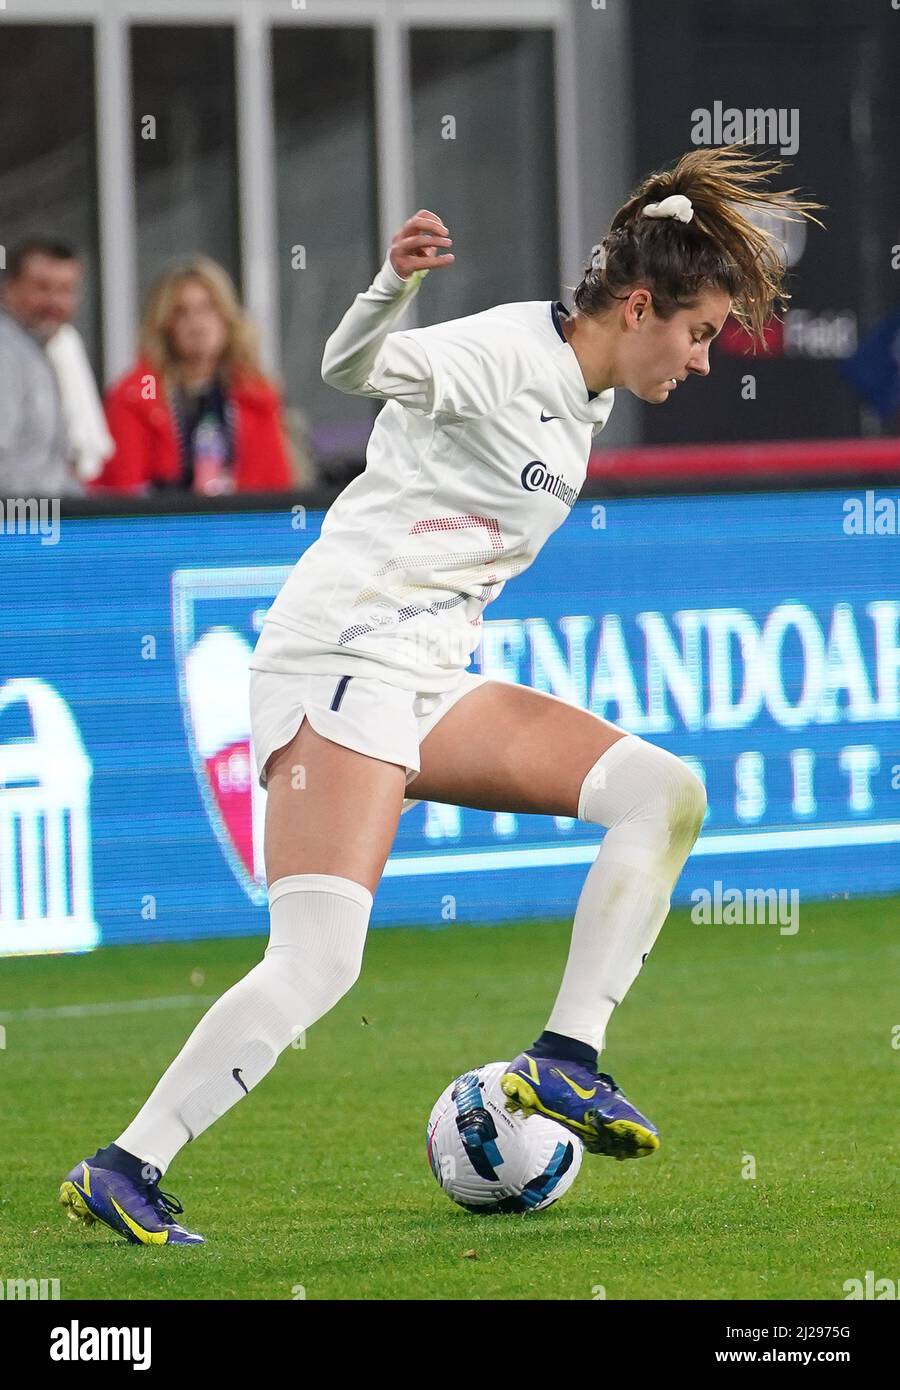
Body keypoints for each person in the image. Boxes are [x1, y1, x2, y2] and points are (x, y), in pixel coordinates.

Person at [59, 145, 824, 1244]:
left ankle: (564, 1061)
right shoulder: (505, 352)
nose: (705, 360)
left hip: (422, 676)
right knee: (318, 960)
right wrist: (392, 284)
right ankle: (123, 1167)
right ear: (641, 305)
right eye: (700, 332)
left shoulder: (584, 395)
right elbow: (346, 368)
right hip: (343, 660)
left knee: (665, 793)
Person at [95, 256, 293, 495]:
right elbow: (120, 496)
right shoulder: (133, 399)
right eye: (182, 312)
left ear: (227, 318)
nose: (197, 324)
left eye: (207, 308)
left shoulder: (257, 397)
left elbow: (277, 492)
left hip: (242, 528)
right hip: (164, 528)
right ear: (165, 325)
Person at [0, 238, 98, 497]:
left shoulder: (40, 351)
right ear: (9, 288)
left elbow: (51, 468)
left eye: (66, 290)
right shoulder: (5, 353)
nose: (54, 302)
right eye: (42, 288)